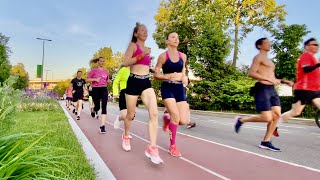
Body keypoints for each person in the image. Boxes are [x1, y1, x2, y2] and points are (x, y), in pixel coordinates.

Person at [234, 38, 293, 152]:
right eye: (266, 42)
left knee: (276, 116)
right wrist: (268, 79)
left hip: (272, 89)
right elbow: (251, 73)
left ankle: (266, 141)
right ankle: (241, 120)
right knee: (267, 117)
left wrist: (285, 81)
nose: (269, 44)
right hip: (263, 89)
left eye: (269, 42)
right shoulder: (258, 57)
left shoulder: (269, 61)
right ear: (260, 46)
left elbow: (273, 78)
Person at [121, 22, 163, 164]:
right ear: (136, 34)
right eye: (142, 30)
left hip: (146, 82)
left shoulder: (147, 49)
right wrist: (141, 55)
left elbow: (143, 66)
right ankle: (126, 135)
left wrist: (153, 70)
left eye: (146, 30)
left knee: (154, 113)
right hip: (133, 82)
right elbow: (126, 62)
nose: (145, 32)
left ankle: (152, 147)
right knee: (130, 115)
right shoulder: (133, 46)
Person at [154, 32, 195, 157]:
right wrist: (167, 76)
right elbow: (156, 74)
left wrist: (185, 77)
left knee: (184, 120)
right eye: (173, 37)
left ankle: (167, 119)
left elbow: (183, 72)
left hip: (179, 89)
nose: (176, 39)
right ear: (167, 41)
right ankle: (173, 146)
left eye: (178, 37)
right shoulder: (162, 57)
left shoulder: (183, 56)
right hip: (168, 88)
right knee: (176, 117)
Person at [279, 38, 320, 126]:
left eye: (317, 44)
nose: (317, 46)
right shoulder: (305, 56)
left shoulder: (314, 58)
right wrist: (319, 64)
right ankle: (275, 123)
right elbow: (306, 69)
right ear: (307, 46)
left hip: (314, 90)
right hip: (304, 90)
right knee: (296, 112)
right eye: (314, 44)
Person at [86, 57, 111, 134]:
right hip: (96, 89)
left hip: (104, 89)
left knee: (104, 106)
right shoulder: (94, 70)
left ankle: (102, 126)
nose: (102, 62)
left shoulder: (106, 71)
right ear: (98, 62)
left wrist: (109, 81)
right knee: (97, 107)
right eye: (101, 61)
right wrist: (94, 79)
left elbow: (107, 80)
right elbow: (86, 79)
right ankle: (94, 109)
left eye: (103, 61)